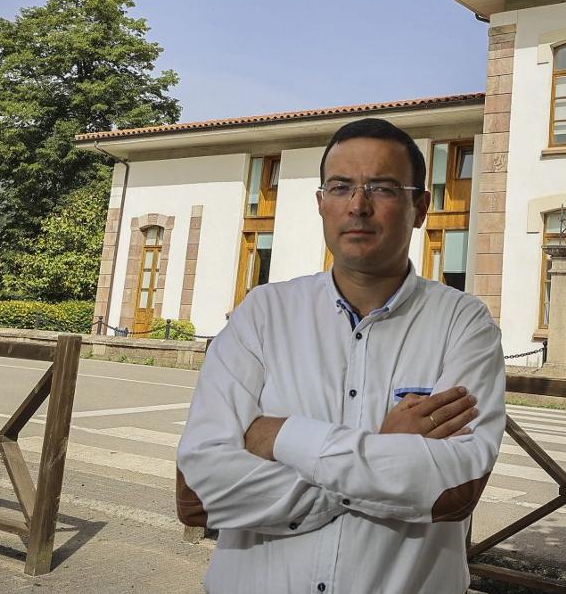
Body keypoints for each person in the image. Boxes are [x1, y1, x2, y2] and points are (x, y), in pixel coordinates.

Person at [177, 117, 506, 594]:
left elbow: (451, 493)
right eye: (340, 187)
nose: (358, 206)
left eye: (383, 188)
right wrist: (383, 448)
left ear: (420, 207)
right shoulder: (263, 313)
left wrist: (282, 435)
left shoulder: (464, 323)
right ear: (320, 204)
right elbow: (196, 495)